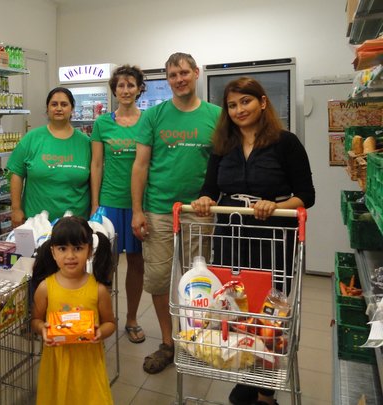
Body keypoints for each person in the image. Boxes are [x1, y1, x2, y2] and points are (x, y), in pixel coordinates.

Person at [191, 77, 315, 405]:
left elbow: (306, 196)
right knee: (237, 308)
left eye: (245, 102)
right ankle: (247, 375)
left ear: (262, 102)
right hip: (232, 238)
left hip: (273, 239)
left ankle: (265, 389)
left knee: (270, 314)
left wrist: (275, 205)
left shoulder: (285, 143)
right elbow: (210, 188)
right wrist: (204, 200)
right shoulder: (223, 146)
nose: (238, 110)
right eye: (232, 105)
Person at [131, 52, 221, 374]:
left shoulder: (216, 115)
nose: (179, 79)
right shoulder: (153, 116)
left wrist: (212, 196)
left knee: (196, 282)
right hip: (158, 210)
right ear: (166, 79)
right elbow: (140, 166)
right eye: (172, 74)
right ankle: (169, 343)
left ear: (196, 73)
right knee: (158, 280)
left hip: (199, 211)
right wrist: (137, 210)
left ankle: (195, 338)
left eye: (184, 72)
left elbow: (222, 164)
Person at [31, 216, 116, 405]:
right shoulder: (46, 288)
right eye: (62, 249)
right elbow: (35, 320)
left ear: (90, 251)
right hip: (56, 363)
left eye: (77, 248)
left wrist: (100, 332)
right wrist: (43, 329)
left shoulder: (98, 290)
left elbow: (110, 323)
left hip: (88, 363)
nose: (70, 256)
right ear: (53, 252)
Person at [90, 64, 146, 344]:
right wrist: (95, 204)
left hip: (138, 204)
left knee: (136, 262)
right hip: (109, 204)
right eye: (120, 85)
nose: (125, 90)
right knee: (105, 264)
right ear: (114, 90)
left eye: (131, 85)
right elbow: (97, 164)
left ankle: (132, 318)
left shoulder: (148, 121)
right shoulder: (102, 123)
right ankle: (104, 317)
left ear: (139, 89)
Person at [7, 87, 90, 228]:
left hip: (77, 224)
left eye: (64, 104)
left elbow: (95, 179)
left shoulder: (86, 143)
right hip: (36, 224)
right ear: (47, 109)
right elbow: (16, 173)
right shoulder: (31, 139)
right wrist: (16, 209)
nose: (59, 108)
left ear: (72, 109)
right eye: (54, 104)